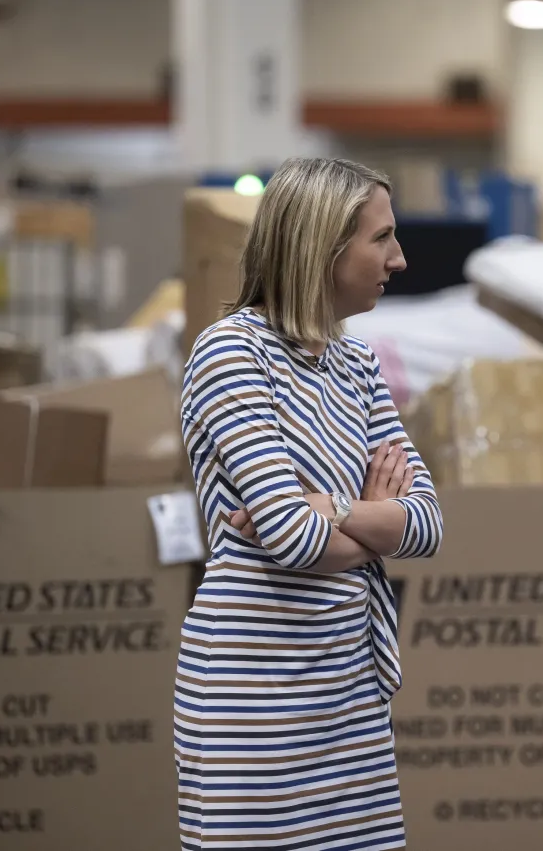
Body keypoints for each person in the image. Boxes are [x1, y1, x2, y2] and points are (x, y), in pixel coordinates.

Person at [174, 157, 444, 851]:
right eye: (380, 238)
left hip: (348, 696)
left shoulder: (354, 363)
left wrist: (332, 508)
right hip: (253, 704)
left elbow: (428, 522)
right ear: (322, 245)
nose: (400, 258)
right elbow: (296, 541)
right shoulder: (230, 354)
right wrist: (370, 513)